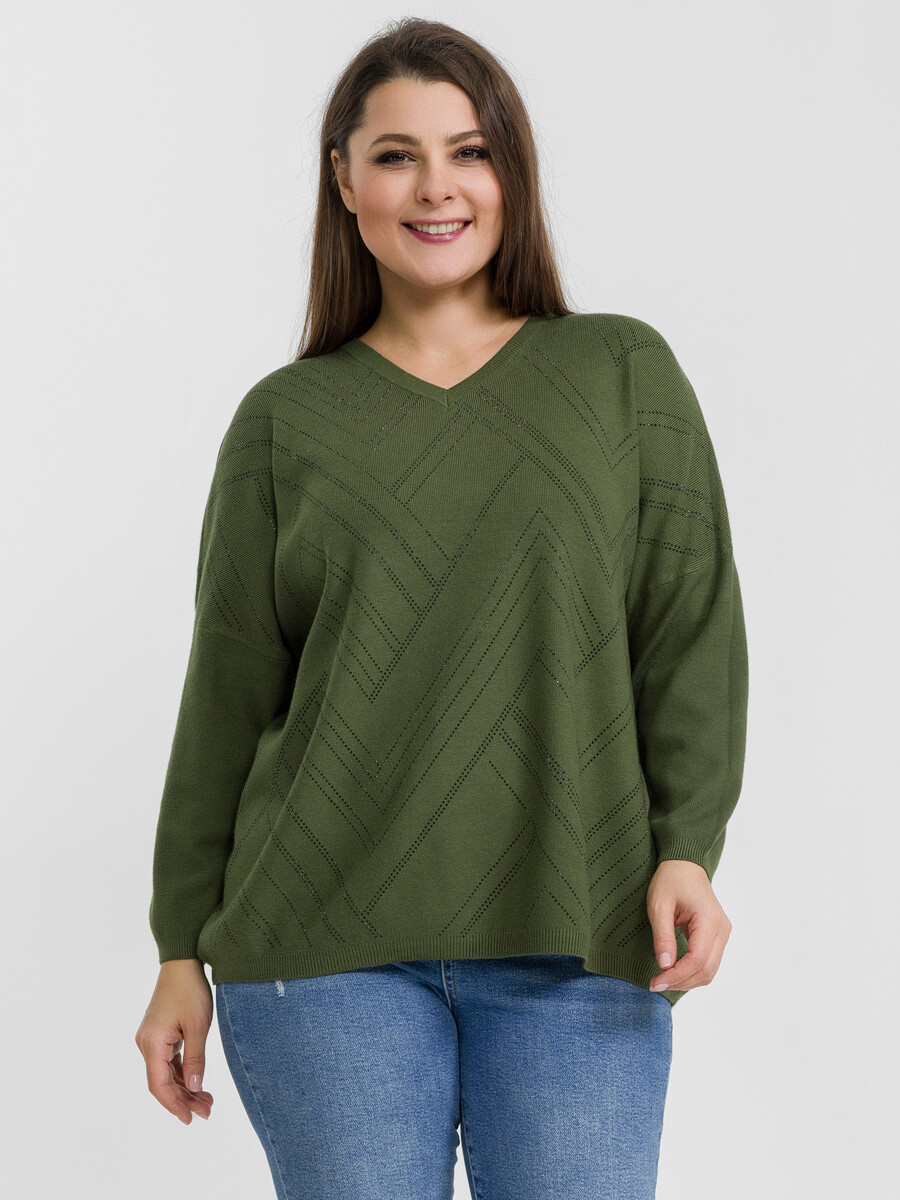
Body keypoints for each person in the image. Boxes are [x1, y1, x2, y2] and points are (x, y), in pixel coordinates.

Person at [135, 17, 748, 1200]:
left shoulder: (620, 375)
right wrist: (177, 949)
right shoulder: (285, 421)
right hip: (319, 953)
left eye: (470, 152)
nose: (437, 187)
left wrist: (688, 844)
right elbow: (227, 699)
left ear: (511, 172)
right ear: (344, 179)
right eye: (397, 155)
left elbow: (689, 632)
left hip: (579, 927)